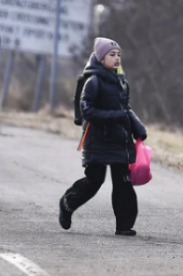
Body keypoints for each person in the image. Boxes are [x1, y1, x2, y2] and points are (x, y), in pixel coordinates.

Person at [58, 38, 147, 236]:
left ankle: (124, 225)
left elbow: (126, 109)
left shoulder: (121, 81)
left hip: (119, 141)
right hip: (97, 141)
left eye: (119, 55)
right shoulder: (93, 81)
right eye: (112, 55)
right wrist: (115, 117)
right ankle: (67, 203)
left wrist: (137, 127)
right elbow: (87, 110)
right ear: (101, 58)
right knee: (94, 181)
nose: (116, 59)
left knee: (123, 183)